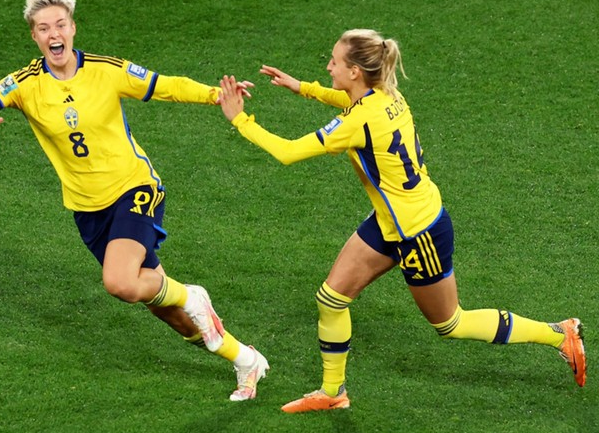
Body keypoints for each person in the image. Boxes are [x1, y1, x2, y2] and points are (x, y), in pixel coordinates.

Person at [217, 28, 586, 412]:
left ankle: (559, 334)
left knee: (450, 323)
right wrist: (303, 88)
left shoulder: (358, 120)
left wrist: (239, 119)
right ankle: (332, 392)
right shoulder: (387, 94)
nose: (328, 66)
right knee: (331, 298)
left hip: (418, 231)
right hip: (391, 222)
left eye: (334, 62)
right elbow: (349, 104)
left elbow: (288, 152)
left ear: (357, 71)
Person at [0, 0, 268, 401]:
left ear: (73, 27)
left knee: (119, 283)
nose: (54, 34)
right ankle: (244, 359)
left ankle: (193, 294)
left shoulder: (106, 70)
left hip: (134, 187)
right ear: (34, 37)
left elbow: (165, 85)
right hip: (87, 209)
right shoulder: (25, 84)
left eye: (60, 24)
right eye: (44, 28)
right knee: (165, 309)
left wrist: (214, 94)